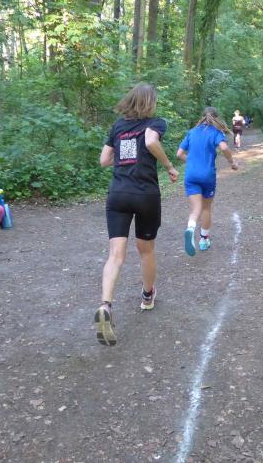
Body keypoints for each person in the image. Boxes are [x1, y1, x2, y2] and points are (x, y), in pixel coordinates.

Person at [94, 83, 179, 346]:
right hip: (145, 195)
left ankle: (106, 305)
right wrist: (168, 166)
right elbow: (151, 141)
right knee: (146, 250)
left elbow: (104, 160)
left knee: (115, 255)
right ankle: (147, 295)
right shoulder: (155, 123)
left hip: (118, 194)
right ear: (150, 102)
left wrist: (124, 154)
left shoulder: (118, 126)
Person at [176, 106, 239, 256]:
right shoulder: (216, 132)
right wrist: (232, 162)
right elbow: (224, 147)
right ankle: (204, 240)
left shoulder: (192, 132)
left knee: (196, 209)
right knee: (206, 208)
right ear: (216, 118)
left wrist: (192, 162)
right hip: (207, 176)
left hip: (191, 175)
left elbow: (179, 154)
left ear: (202, 117)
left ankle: (190, 228)